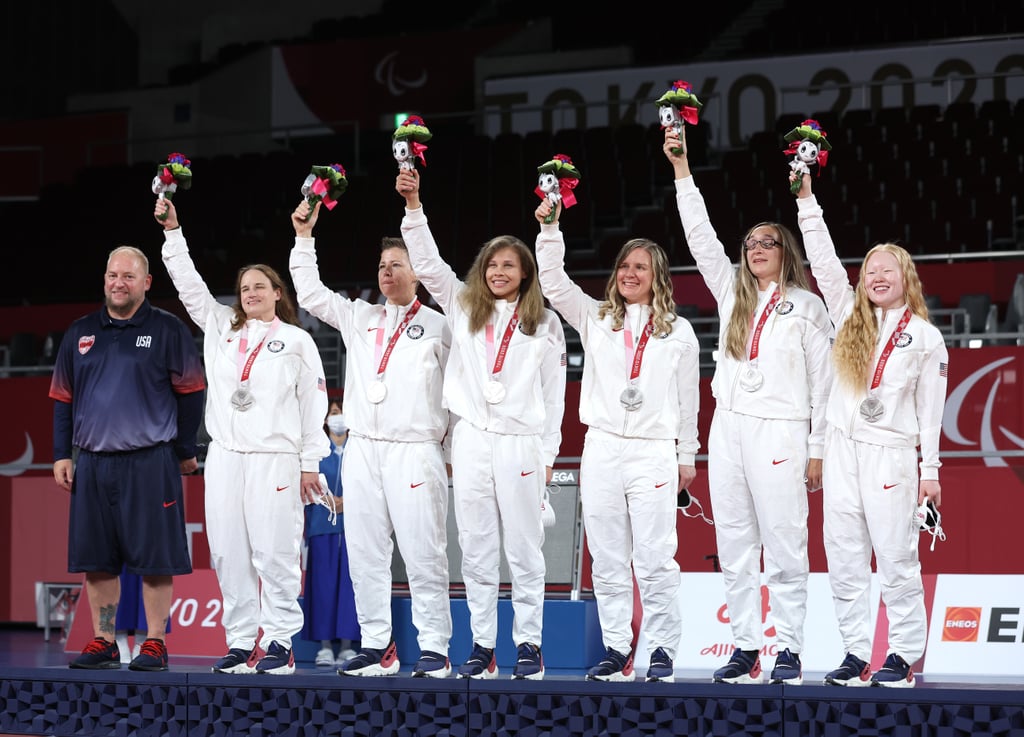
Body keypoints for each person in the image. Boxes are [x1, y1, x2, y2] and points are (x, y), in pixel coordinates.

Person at [663, 126, 833, 685]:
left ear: (786, 251)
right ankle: (744, 646)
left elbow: (823, 381)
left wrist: (817, 449)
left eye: (768, 243)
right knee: (733, 542)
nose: (757, 250)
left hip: (783, 429)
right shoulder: (732, 291)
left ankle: (787, 648)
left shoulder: (808, 306)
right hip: (729, 428)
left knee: (785, 543)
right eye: (751, 244)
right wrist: (682, 171)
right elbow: (700, 238)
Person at [397, 167, 566, 681]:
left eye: (508, 265)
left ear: (525, 272)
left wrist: (546, 457)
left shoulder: (545, 323)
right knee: (475, 547)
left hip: (520, 443)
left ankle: (530, 644)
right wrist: (413, 207)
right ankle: (483, 645)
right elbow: (426, 262)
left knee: (524, 548)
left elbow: (553, 399)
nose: (498, 272)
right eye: (492, 264)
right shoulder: (462, 305)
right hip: (470, 439)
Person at [156, 197, 330, 675]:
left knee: (274, 551)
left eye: (259, 286)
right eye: (243, 287)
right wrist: (173, 233)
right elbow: (190, 287)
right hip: (227, 457)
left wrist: (310, 462)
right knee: (229, 552)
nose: (249, 292)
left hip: (275, 457)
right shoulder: (219, 328)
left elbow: (314, 405)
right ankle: (239, 640)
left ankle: (278, 642)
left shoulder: (297, 341)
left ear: (278, 293)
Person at [534, 196, 700, 683]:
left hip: (653, 450)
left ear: (657, 276)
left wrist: (686, 456)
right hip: (602, 444)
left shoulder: (679, 331)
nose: (630, 273)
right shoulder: (595, 318)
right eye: (625, 265)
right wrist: (550, 227)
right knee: (606, 557)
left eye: (641, 267)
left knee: (654, 557)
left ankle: (664, 649)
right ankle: (617, 648)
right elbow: (552, 282)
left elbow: (689, 401)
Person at [794, 170, 948, 688]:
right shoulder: (846, 318)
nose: (877, 276)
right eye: (870, 270)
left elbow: (931, 413)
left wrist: (932, 472)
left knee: (897, 556)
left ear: (907, 278)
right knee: (843, 556)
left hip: (891, 455)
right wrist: (807, 201)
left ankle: (903, 653)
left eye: (888, 269)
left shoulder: (926, 338)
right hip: (841, 450)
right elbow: (820, 259)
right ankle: (856, 652)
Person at [289, 198, 454, 678]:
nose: (387, 272)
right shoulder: (359, 317)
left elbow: (458, 396)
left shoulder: (441, 327)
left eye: (397, 264)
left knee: (425, 553)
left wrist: (449, 453)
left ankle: (435, 649)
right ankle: (377, 643)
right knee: (364, 552)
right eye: (382, 265)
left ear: (418, 273)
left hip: (414, 450)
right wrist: (304, 238)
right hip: (363, 448)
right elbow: (310, 293)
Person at [49, 245, 206, 671]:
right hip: (94, 463)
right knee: (97, 560)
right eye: (112, 275)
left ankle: (155, 641)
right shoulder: (81, 332)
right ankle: (104, 640)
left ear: (146, 282)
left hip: (150, 462)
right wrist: (62, 454)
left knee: (155, 559)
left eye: (128, 276)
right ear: (104, 279)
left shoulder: (168, 329)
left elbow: (192, 394)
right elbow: (63, 399)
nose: (119, 283)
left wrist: (183, 450)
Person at [301, 399, 361, 668]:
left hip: (354, 527)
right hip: (322, 526)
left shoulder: (358, 450)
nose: (338, 417)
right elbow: (306, 483)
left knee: (350, 586)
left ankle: (348, 645)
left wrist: (345, 503)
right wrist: (328, 502)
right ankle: (325, 647)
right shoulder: (317, 452)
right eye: (334, 413)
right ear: (325, 421)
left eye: (341, 412)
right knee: (323, 586)